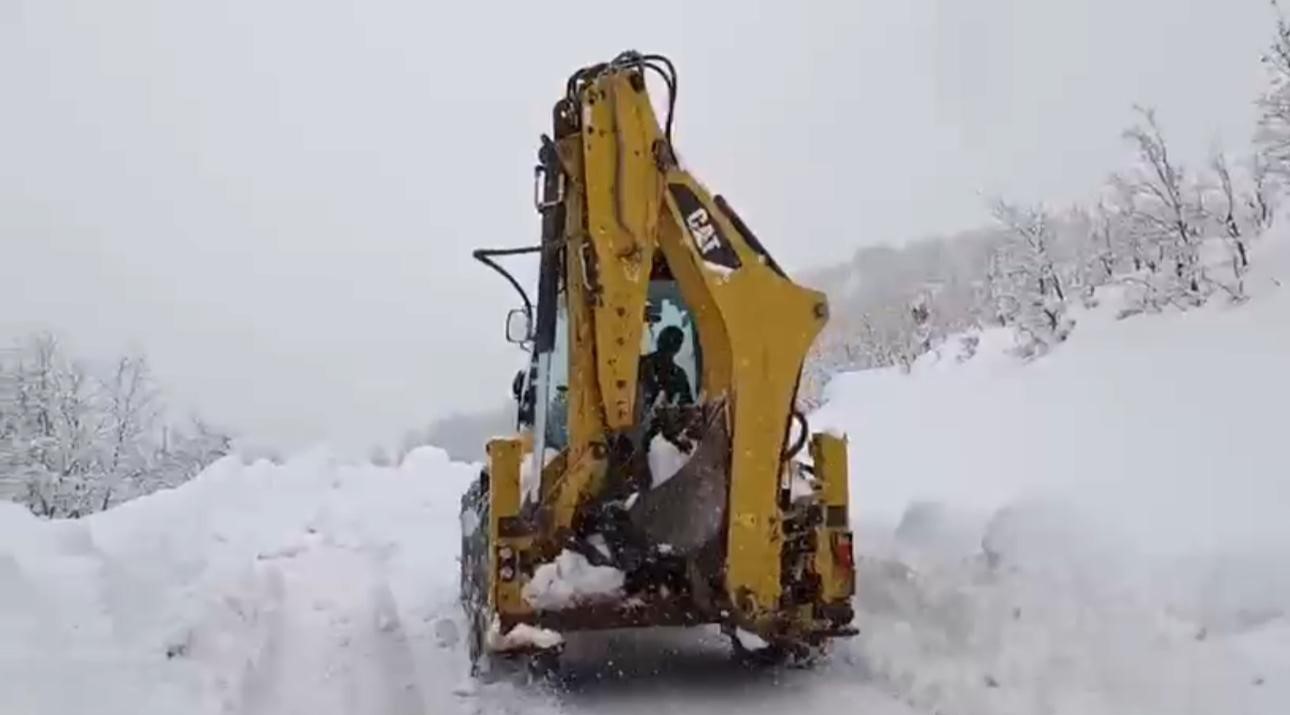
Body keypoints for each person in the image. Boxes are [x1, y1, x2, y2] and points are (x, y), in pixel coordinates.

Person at [639, 325, 694, 410]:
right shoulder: (641, 365)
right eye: (666, 341)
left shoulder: (679, 375)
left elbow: (687, 406)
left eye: (674, 343)